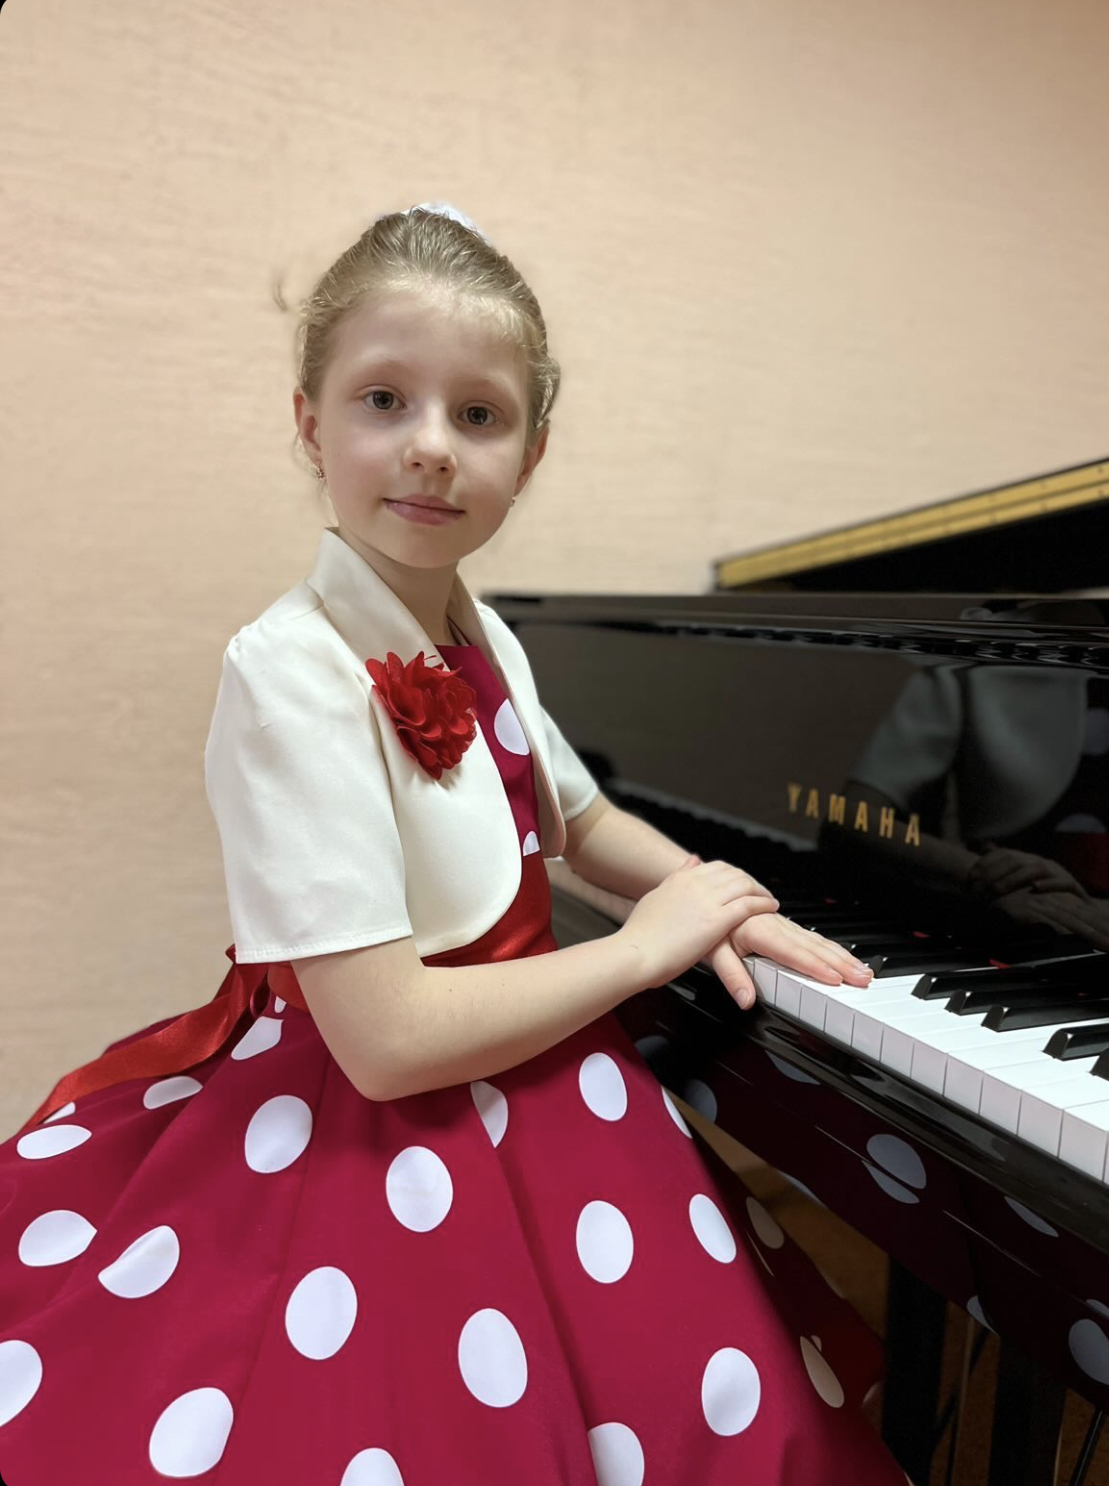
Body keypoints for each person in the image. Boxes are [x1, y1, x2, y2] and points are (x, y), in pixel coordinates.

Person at [0, 203, 911, 1484]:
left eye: (478, 415)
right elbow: (384, 1043)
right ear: (309, 421)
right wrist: (644, 949)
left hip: (535, 1073)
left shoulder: (477, 627)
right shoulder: (288, 669)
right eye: (384, 399)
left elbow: (579, 821)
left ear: (528, 456)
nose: (430, 446)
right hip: (382, 1108)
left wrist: (721, 898)